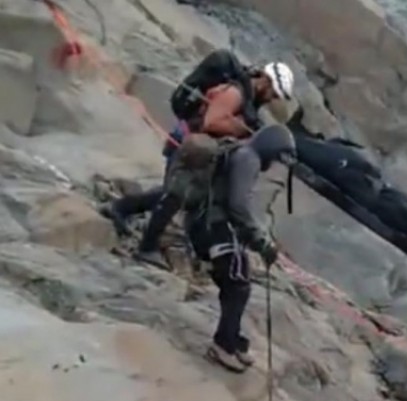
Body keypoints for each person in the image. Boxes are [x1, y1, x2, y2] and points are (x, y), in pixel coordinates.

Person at [101, 53, 294, 267]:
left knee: (177, 194)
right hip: (187, 144)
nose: (272, 99)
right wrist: (241, 129)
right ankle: (146, 245)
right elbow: (210, 123)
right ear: (265, 81)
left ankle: (123, 209)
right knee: (174, 196)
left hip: (197, 148)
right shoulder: (235, 94)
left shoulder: (248, 100)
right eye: (274, 93)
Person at [178, 124, 296, 372]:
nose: (273, 163)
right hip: (217, 226)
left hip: (204, 223)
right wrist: (260, 241)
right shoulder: (248, 159)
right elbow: (238, 205)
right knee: (237, 285)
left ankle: (234, 339)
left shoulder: (239, 152)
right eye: (276, 157)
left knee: (234, 282)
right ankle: (224, 345)